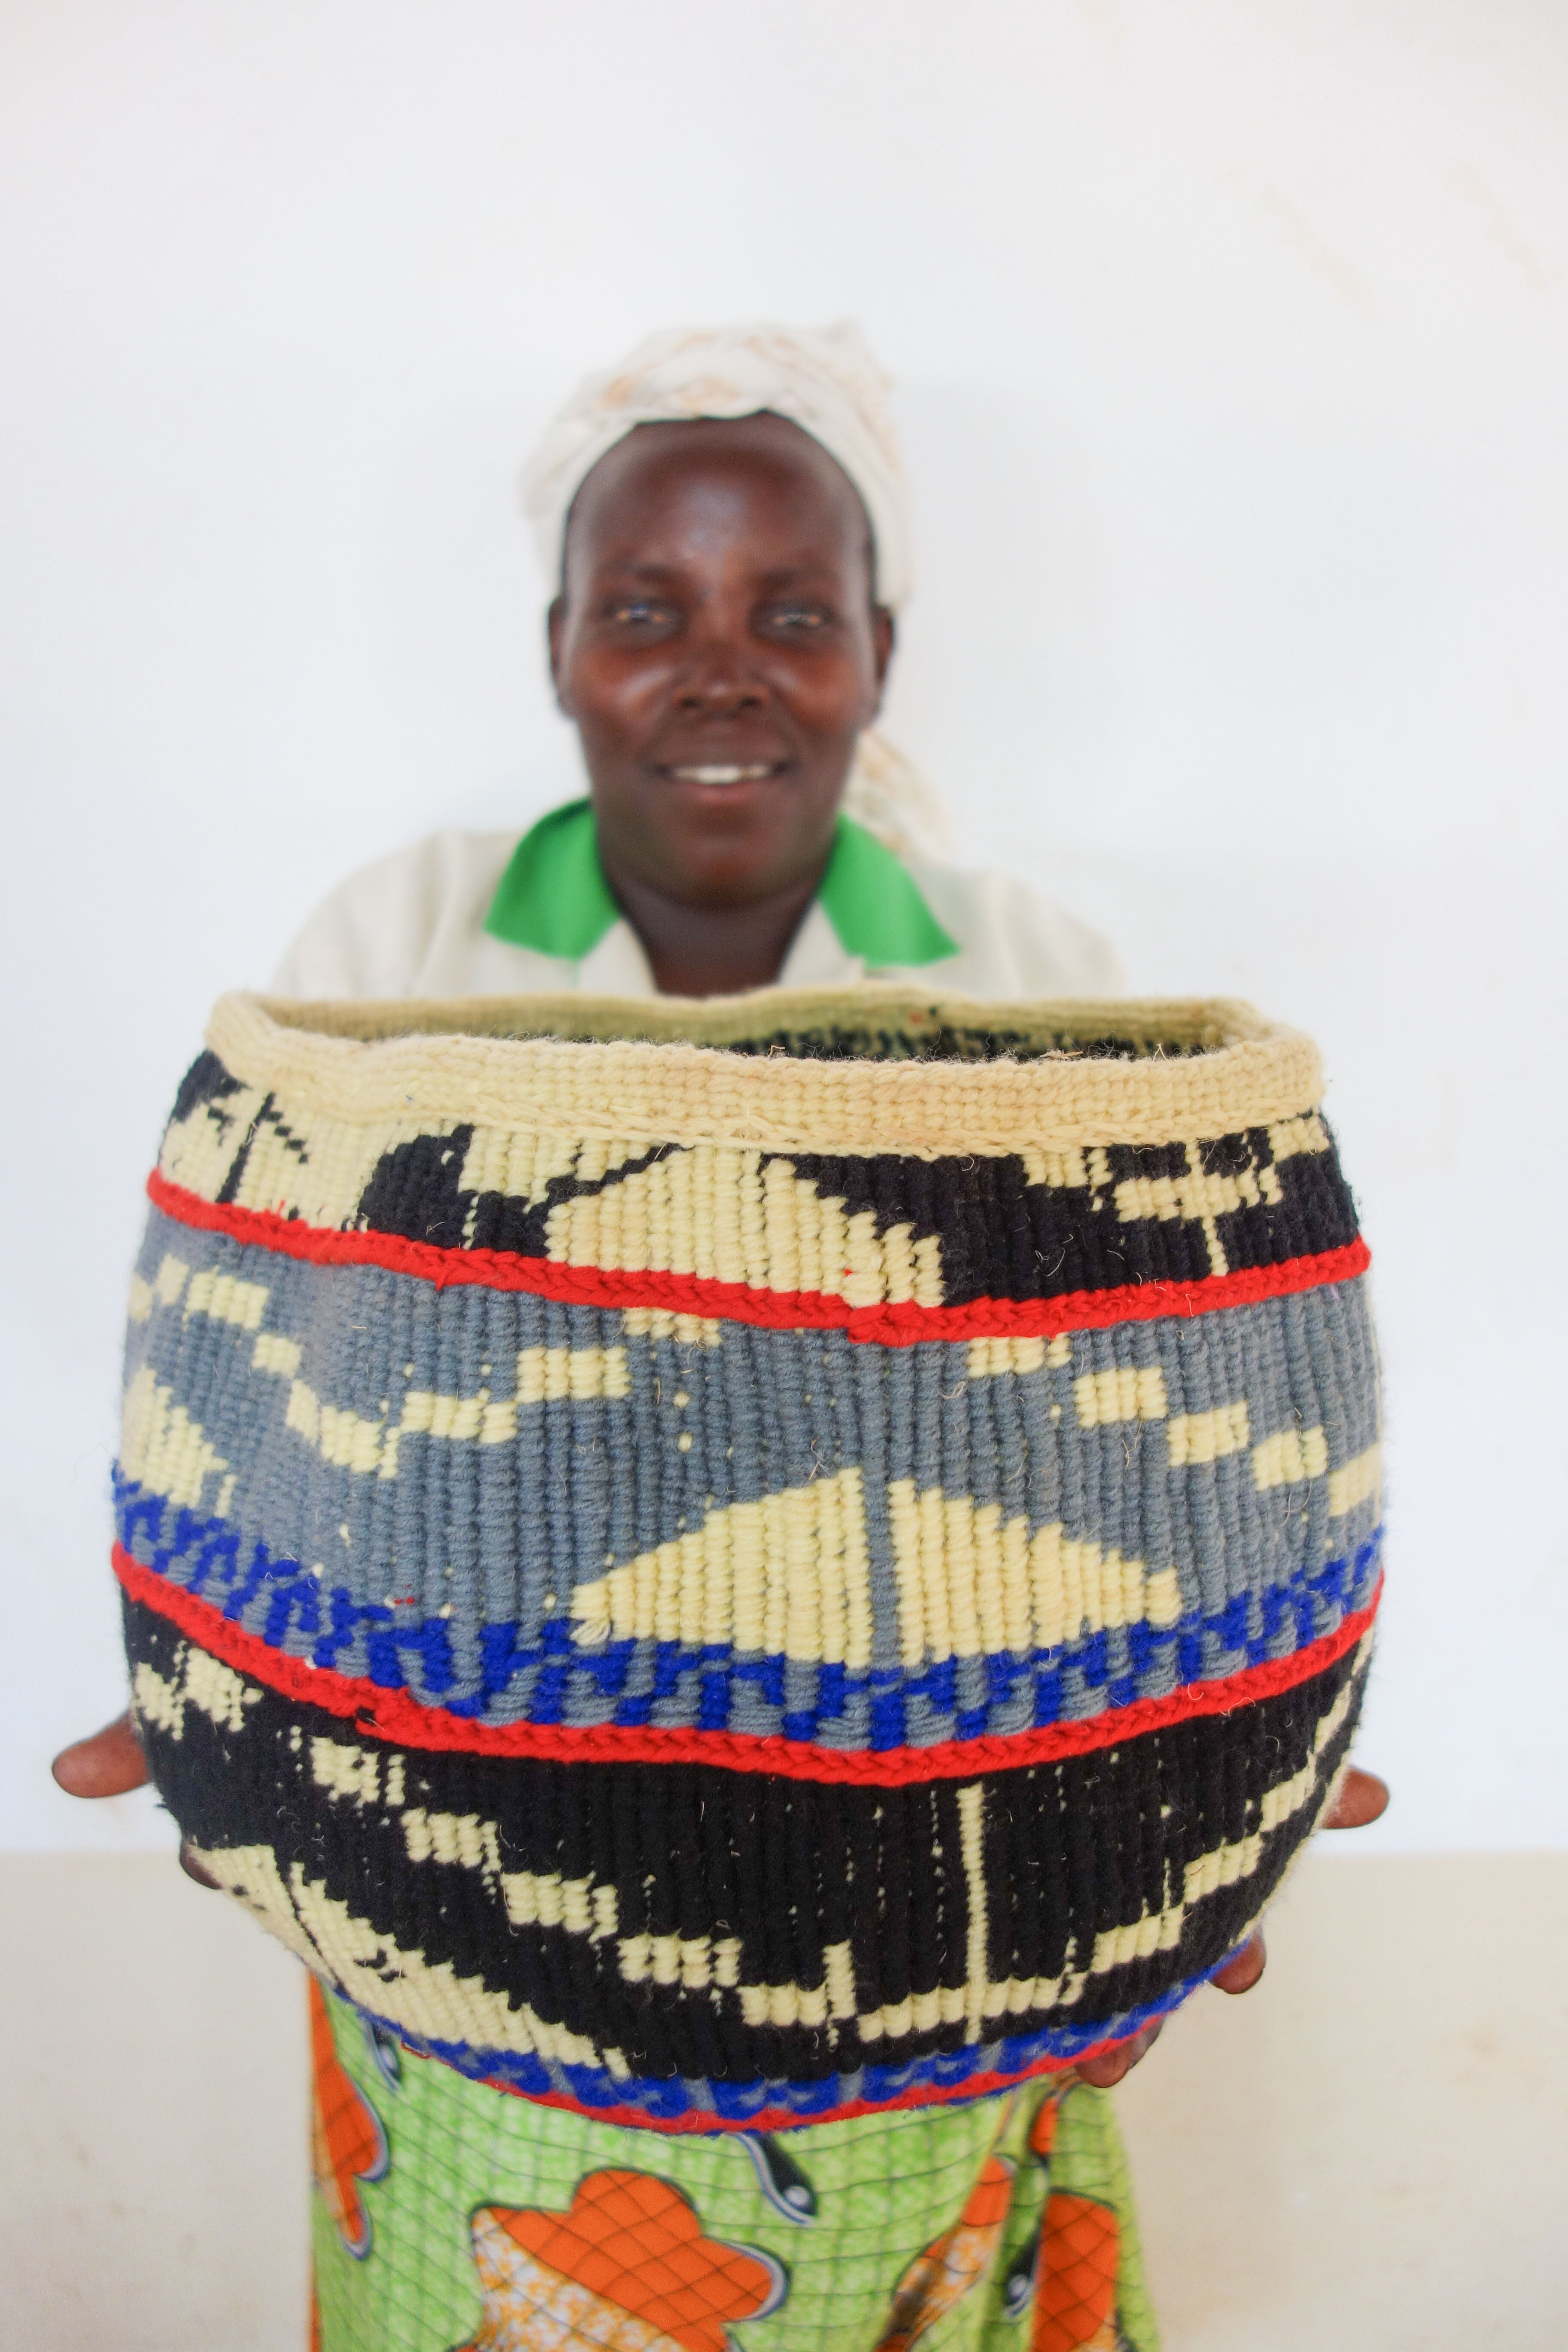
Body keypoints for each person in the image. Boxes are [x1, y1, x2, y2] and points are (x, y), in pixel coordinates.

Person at [56, 322, 1387, 2352]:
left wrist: (1216, 1755)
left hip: (949, 1935)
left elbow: (1163, 1442)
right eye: (644, 610)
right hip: (474, 1956)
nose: (721, 668)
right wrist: (235, 1686)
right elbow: (269, 1386)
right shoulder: (383, 957)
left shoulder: (1040, 981)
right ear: (559, 651)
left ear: (879, 651)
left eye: (792, 612)